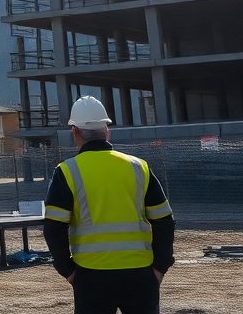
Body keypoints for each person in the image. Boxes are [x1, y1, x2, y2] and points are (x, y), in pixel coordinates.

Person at [44, 96, 175, 314]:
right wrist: (159, 268)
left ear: (75, 132)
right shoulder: (138, 167)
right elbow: (164, 221)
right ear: (107, 130)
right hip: (140, 274)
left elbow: (53, 229)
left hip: (91, 275)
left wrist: (68, 271)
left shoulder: (67, 172)